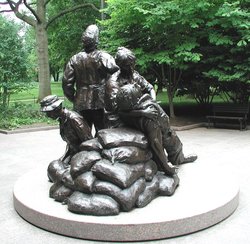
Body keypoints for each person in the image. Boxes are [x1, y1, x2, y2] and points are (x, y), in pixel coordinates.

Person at [116, 84, 197, 176]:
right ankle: (166, 163)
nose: (135, 84)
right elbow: (155, 142)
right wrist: (167, 167)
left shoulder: (137, 107)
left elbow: (121, 111)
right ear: (134, 98)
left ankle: (179, 159)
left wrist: (141, 112)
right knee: (166, 144)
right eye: (133, 87)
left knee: (176, 144)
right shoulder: (150, 116)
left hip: (166, 130)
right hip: (162, 131)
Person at [62, 24, 119, 132]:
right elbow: (117, 73)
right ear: (96, 39)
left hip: (81, 102)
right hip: (100, 101)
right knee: (102, 133)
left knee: (83, 133)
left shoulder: (74, 59)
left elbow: (66, 83)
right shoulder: (103, 56)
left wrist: (74, 98)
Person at [105, 47, 156, 128]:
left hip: (135, 113)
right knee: (150, 123)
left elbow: (150, 88)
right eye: (127, 66)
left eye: (132, 64)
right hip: (119, 119)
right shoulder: (113, 83)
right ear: (119, 65)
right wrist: (143, 112)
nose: (131, 68)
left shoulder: (134, 75)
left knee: (157, 117)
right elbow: (119, 110)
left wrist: (153, 103)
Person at [40, 95, 93, 166]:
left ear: (56, 109)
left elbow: (89, 143)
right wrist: (63, 159)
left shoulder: (74, 119)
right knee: (55, 165)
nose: (48, 115)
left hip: (83, 155)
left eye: (48, 112)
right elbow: (71, 144)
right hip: (74, 153)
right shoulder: (62, 119)